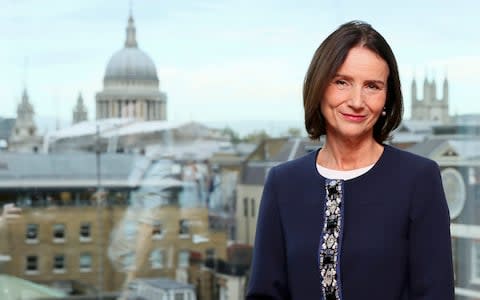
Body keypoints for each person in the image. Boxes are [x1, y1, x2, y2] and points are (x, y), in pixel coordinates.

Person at [246, 20, 454, 300]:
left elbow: (435, 294)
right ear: (319, 87)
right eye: (341, 82)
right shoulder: (282, 183)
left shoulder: (419, 179)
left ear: (387, 98)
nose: (357, 101)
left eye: (372, 86)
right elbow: (264, 294)